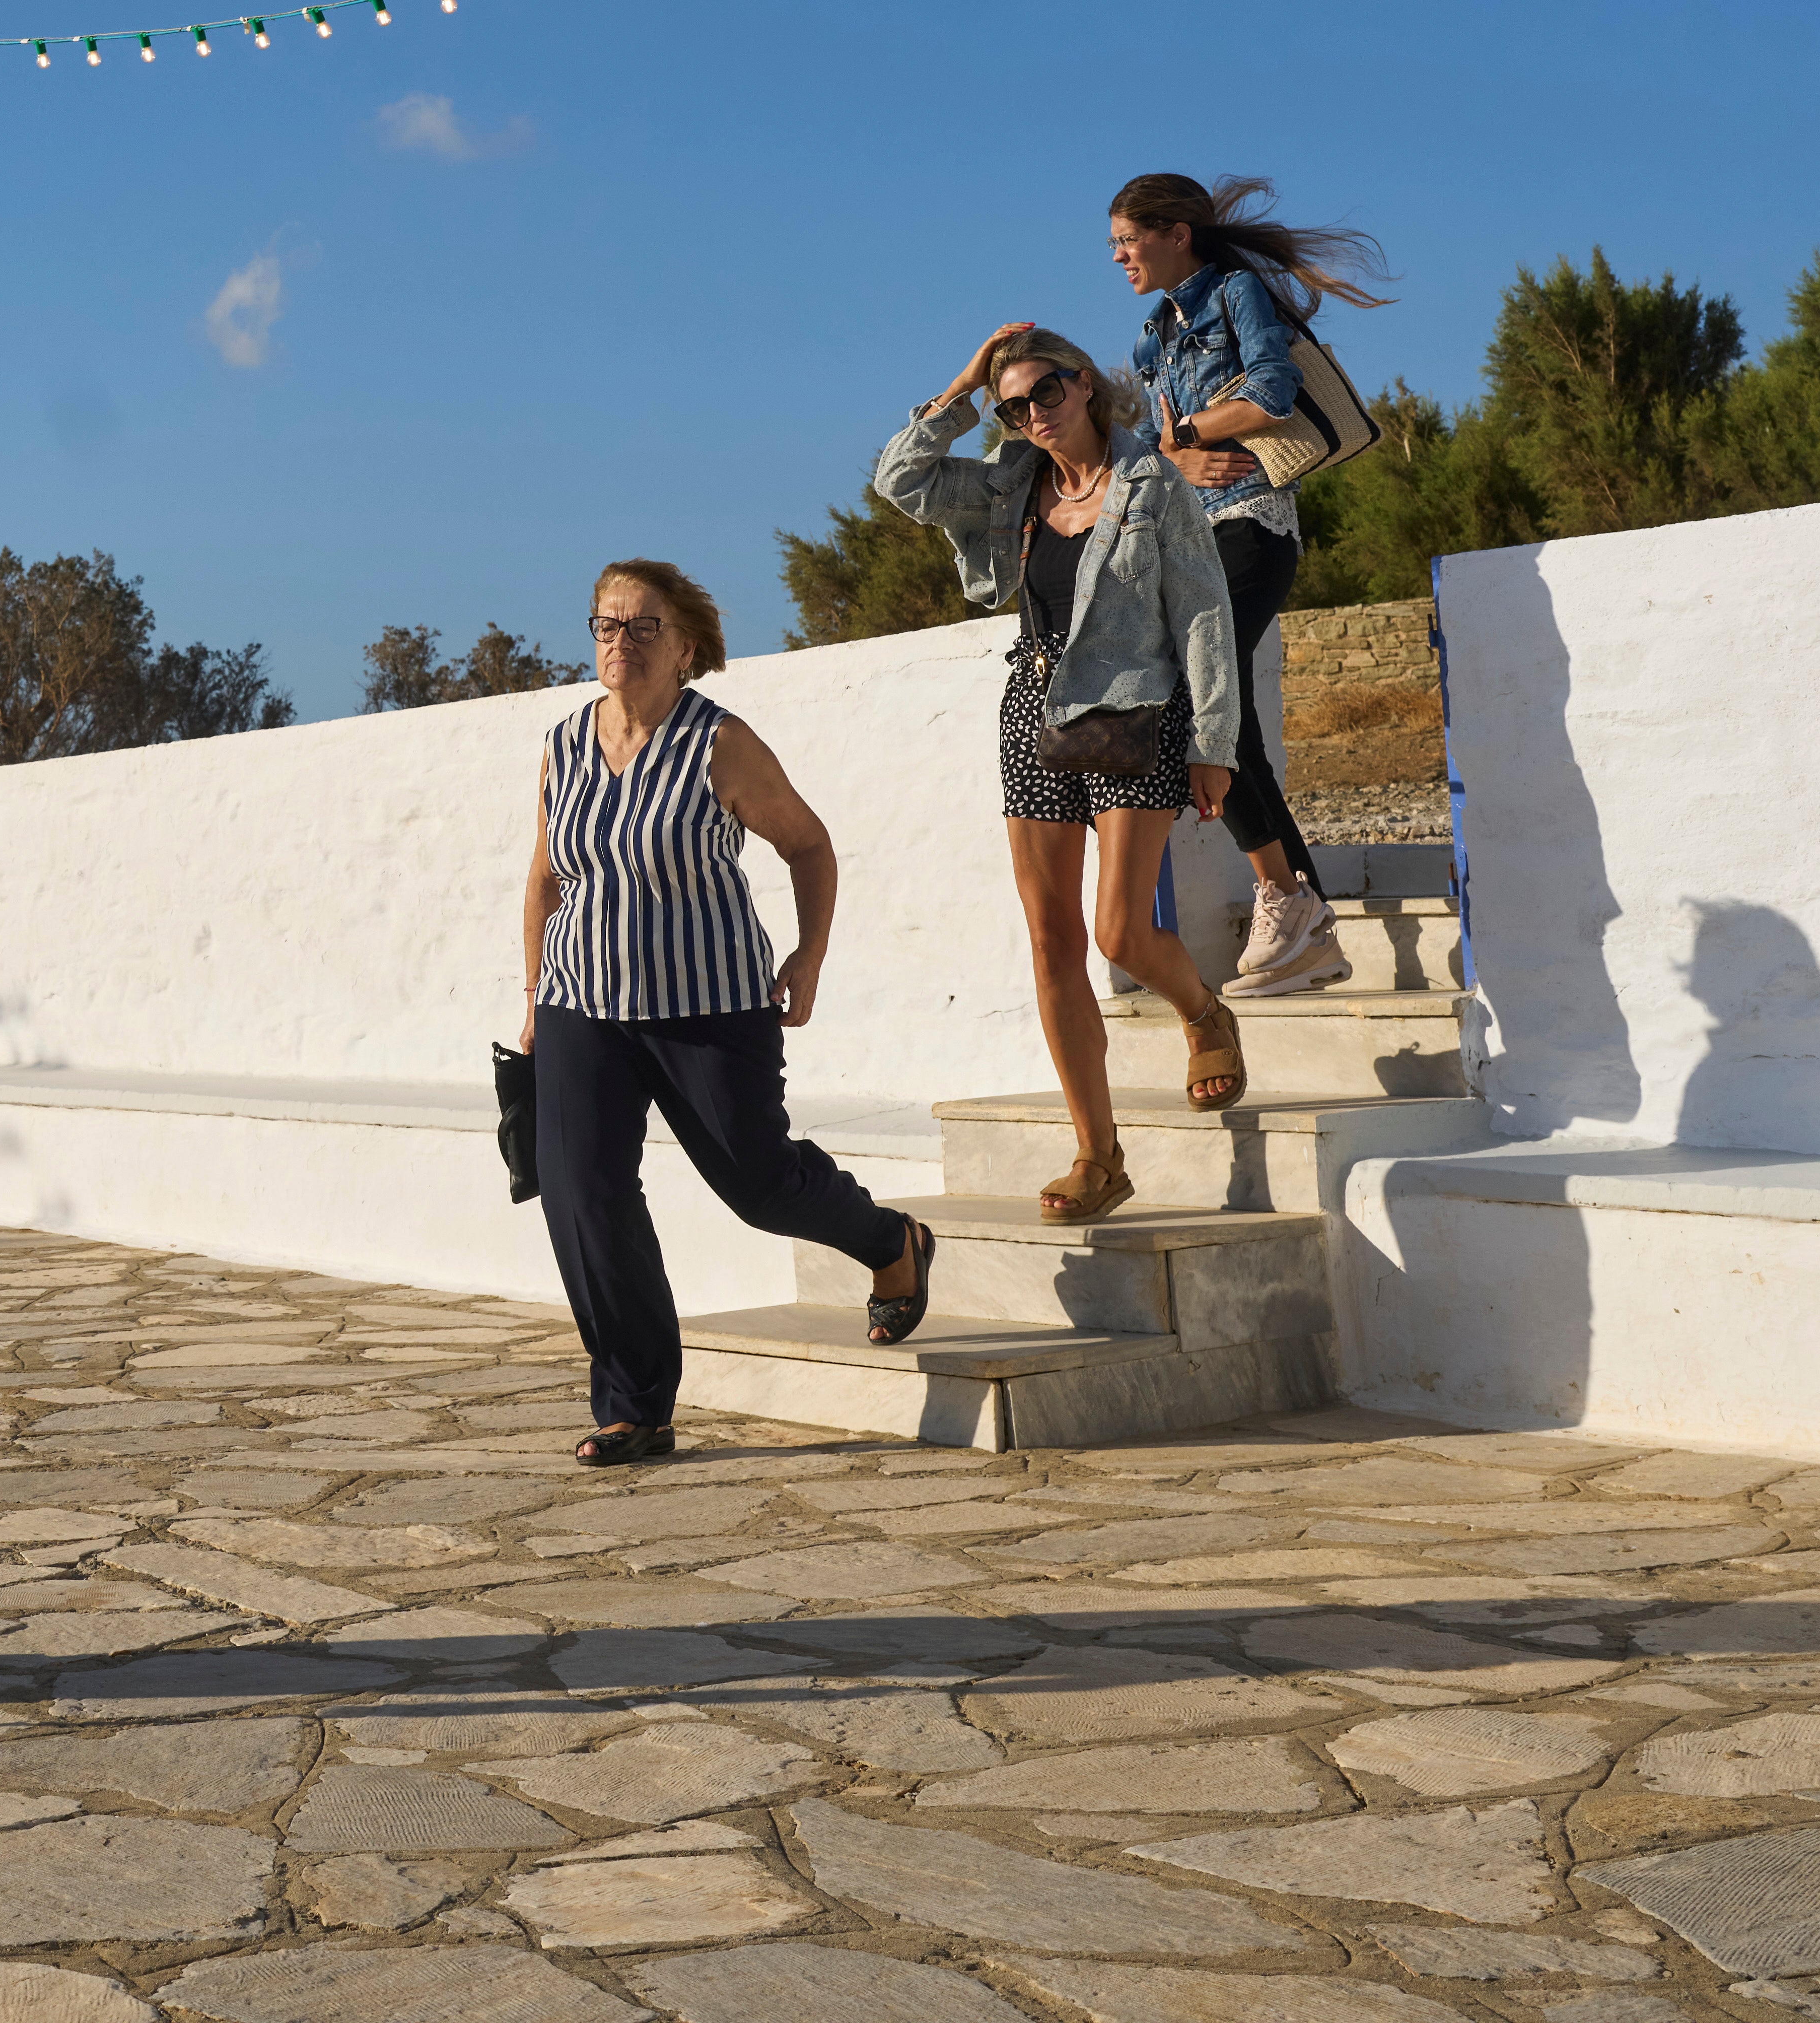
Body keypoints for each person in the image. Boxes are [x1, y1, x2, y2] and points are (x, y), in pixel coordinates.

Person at [520, 559, 927, 1468]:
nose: (618, 641)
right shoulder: (562, 745)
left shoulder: (720, 744)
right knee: (584, 1199)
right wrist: (536, 999)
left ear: (686, 648)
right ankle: (637, 1406)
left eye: (642, 626)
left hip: (709, 1006)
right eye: (605, 625)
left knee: (760, 1185)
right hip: (583, 1001)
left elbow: (809, 845)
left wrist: (809, 956)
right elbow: (548, 878)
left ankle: (889, 1240)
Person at [875, 330, 1250, 1223]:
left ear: (1084, 385)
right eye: (1013, 406)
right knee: (1051, 940)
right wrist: (963, 383)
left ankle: (1203, 1013)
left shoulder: (1155, 483)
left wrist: (1215, 743)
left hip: (1137, 711)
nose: (1033, 414)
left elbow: (1203, 612)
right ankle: (1098, 1153)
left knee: (1119, 933)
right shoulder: (1012, 483)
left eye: (1045, 392)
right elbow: (900, 481)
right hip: (1034, 712)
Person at [1110, 173, 1397, 997]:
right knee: (1221, 719)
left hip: (1251, 526)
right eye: (1115, 245)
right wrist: (1175, 452)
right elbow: (1156, 449)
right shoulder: (1147, 337)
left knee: (1207, 705)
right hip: (1192, 538)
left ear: (1178, 234)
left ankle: (1285, 898)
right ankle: (1302, 920)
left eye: (1131, 239)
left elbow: (1271, 392)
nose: (1121, 256)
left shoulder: (1234, 293)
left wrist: (1193, 431)